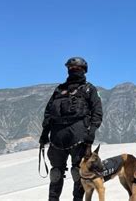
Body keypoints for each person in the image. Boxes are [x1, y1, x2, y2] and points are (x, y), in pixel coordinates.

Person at [39, 57, 103, 201]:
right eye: (71, 68)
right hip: (57, 137)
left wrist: (92, 131)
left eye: (77, 68)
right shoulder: (59, 89)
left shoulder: (89, 89)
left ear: (84, 70)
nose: (73, 70)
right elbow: (49, 112)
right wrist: (44, 133)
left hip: (78, 136)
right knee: (55, 173)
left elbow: (97, 112)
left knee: (78, 172)